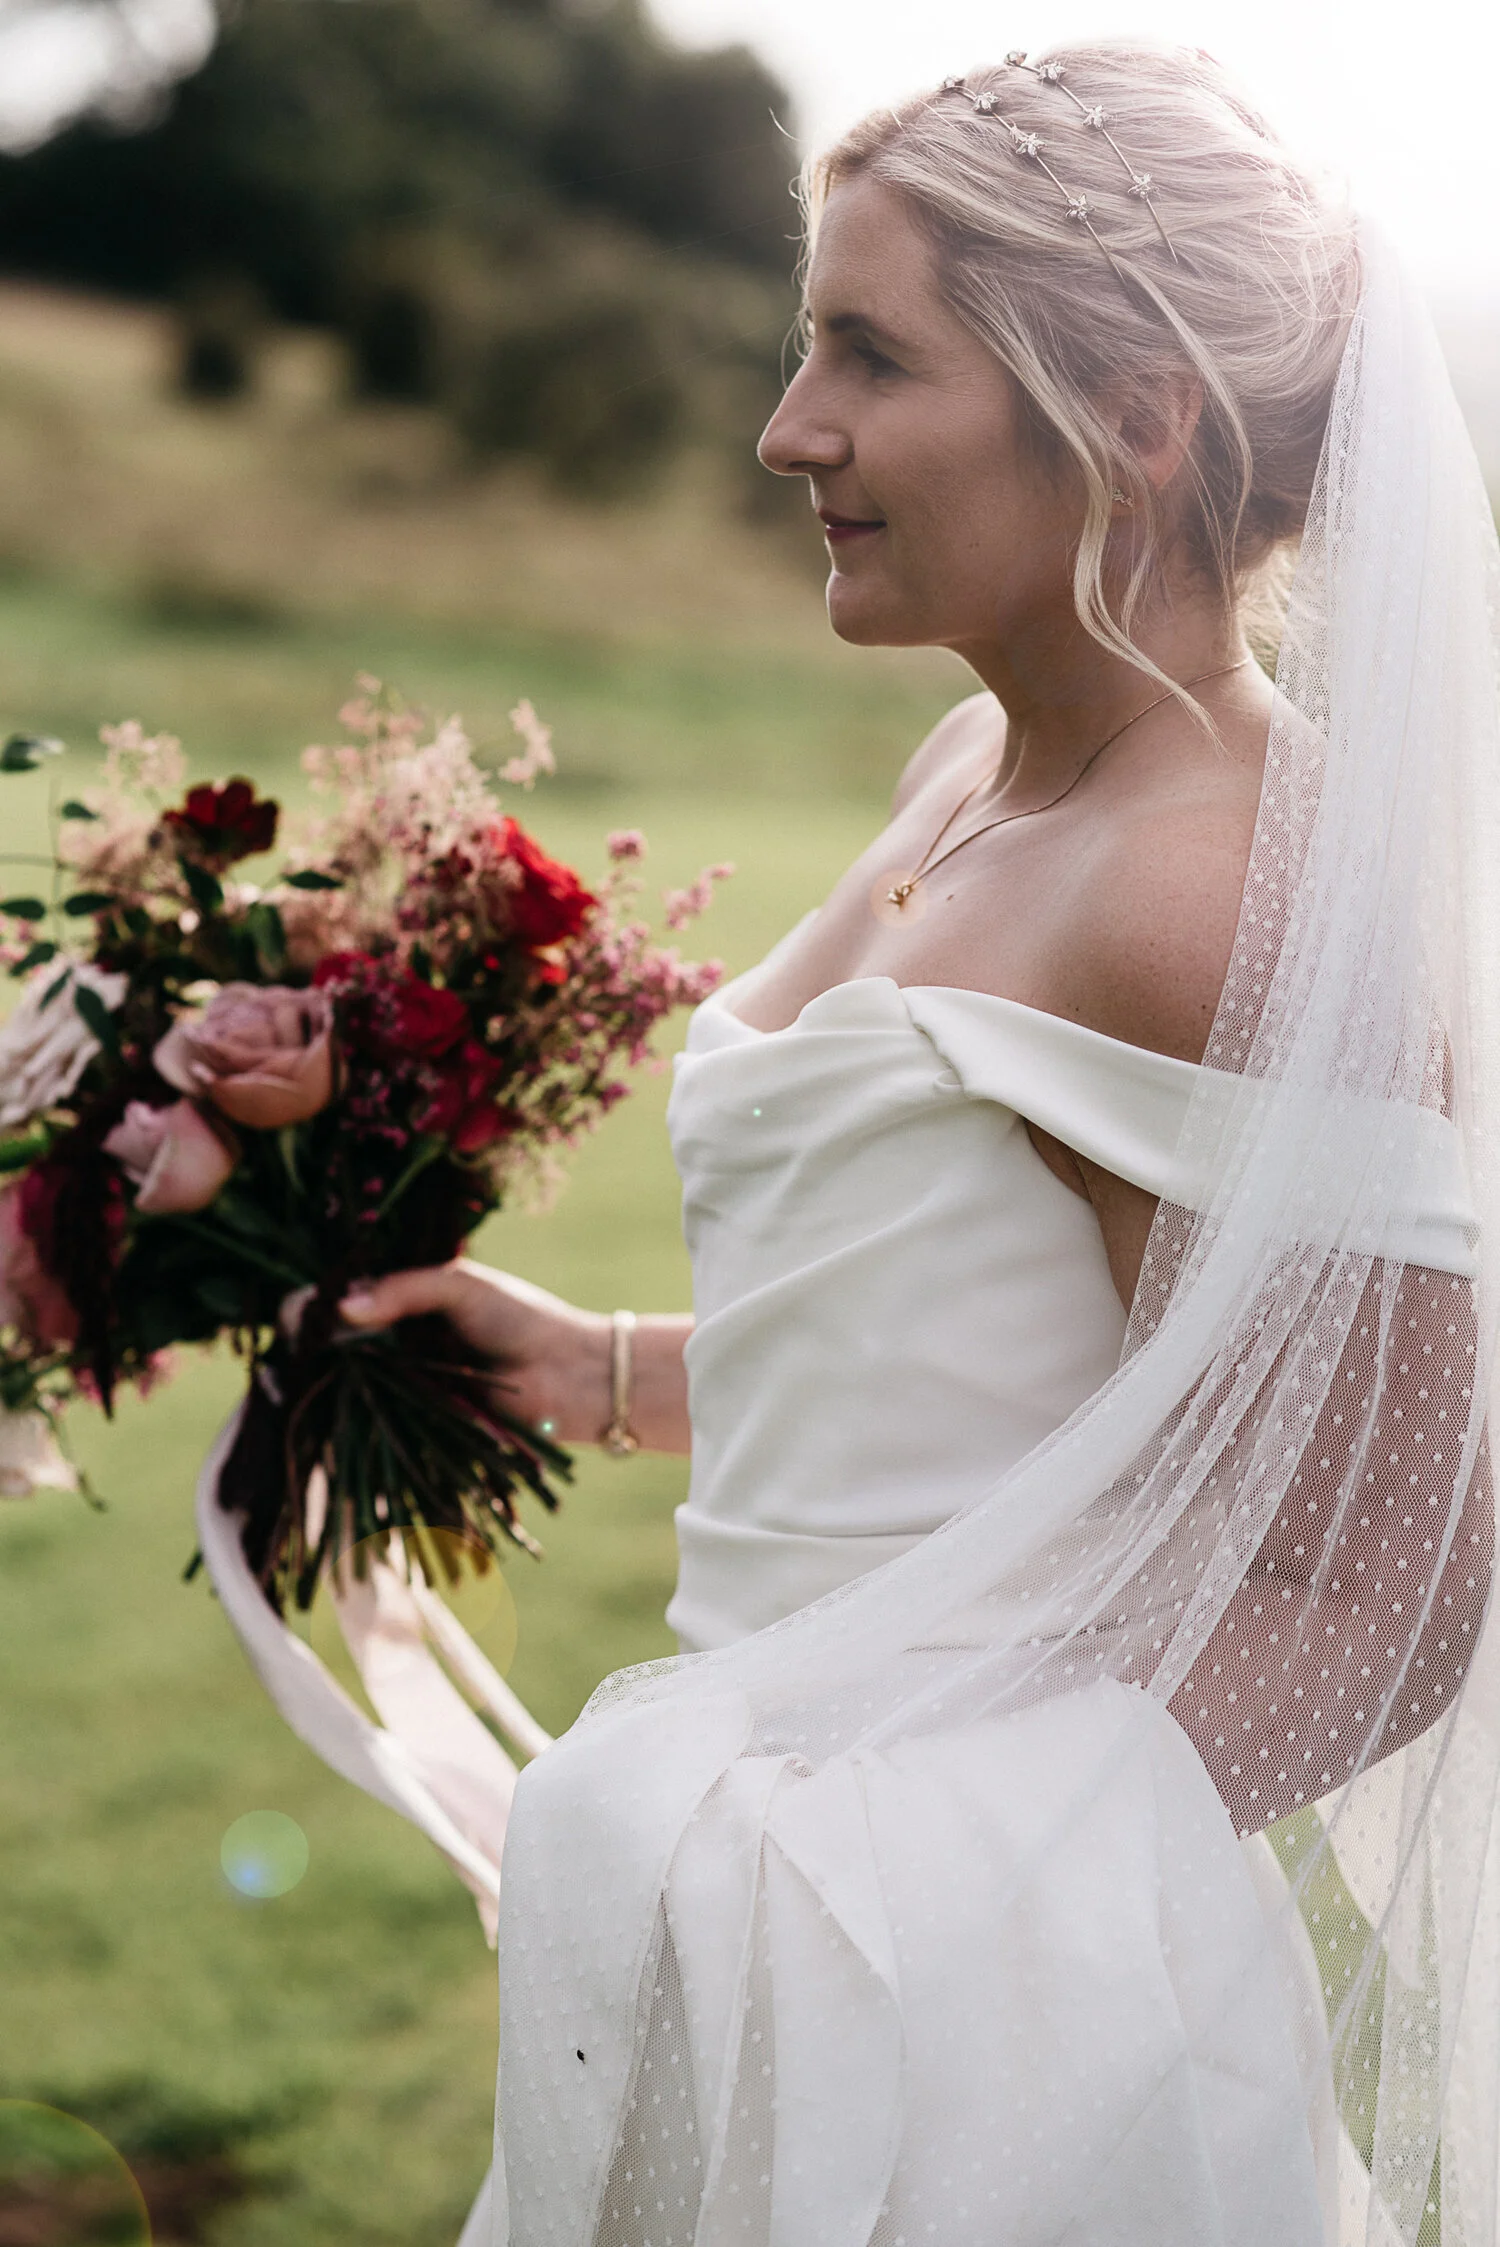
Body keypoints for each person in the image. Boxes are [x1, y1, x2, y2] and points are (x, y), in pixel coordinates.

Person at [343, 39, 1500, 2247]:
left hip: (990, 2051)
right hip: (765, 1915)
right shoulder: (975, 765)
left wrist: (898, 1890)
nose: (792, 428)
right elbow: (992, 1363)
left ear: (1137, 415)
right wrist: (604, 1367)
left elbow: (1393, 1581)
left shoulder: (1215, 894)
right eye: (809, 343)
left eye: (871, 354)